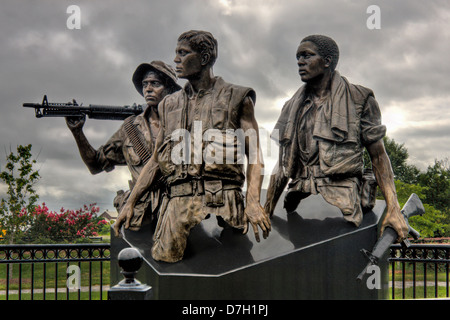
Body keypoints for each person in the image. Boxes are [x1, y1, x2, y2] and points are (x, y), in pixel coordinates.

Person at [114, 30, 271, 263]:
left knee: (237, 264)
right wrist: (131, 202)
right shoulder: (169, 104)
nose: (176, 60)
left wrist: (253, 201)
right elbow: (156, 160)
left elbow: (255, 155)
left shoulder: (238, 97)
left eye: (183, 53)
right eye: (176, 53)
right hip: (179, 200)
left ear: (205, 58)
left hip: (225, 198)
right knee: (165, 261)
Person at [264, 34, 408, 242]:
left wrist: (394, 209)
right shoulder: (290, 106)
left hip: (343, 190)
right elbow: (283, 164)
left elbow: (378, 156)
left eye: (307, 55)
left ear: (327, 61)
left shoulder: (360, 98)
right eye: (297, 57)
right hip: (299, 189)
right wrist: (265, 210)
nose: (300, 62)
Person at [66, 61, 181, 230]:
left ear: (170, 89)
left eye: (155, 83)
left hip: (178, 210)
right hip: (139, 215)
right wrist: (77, 133)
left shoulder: (184, 123)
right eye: (145, 84)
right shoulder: (130, 129)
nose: (148, 88)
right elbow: (95, 164)